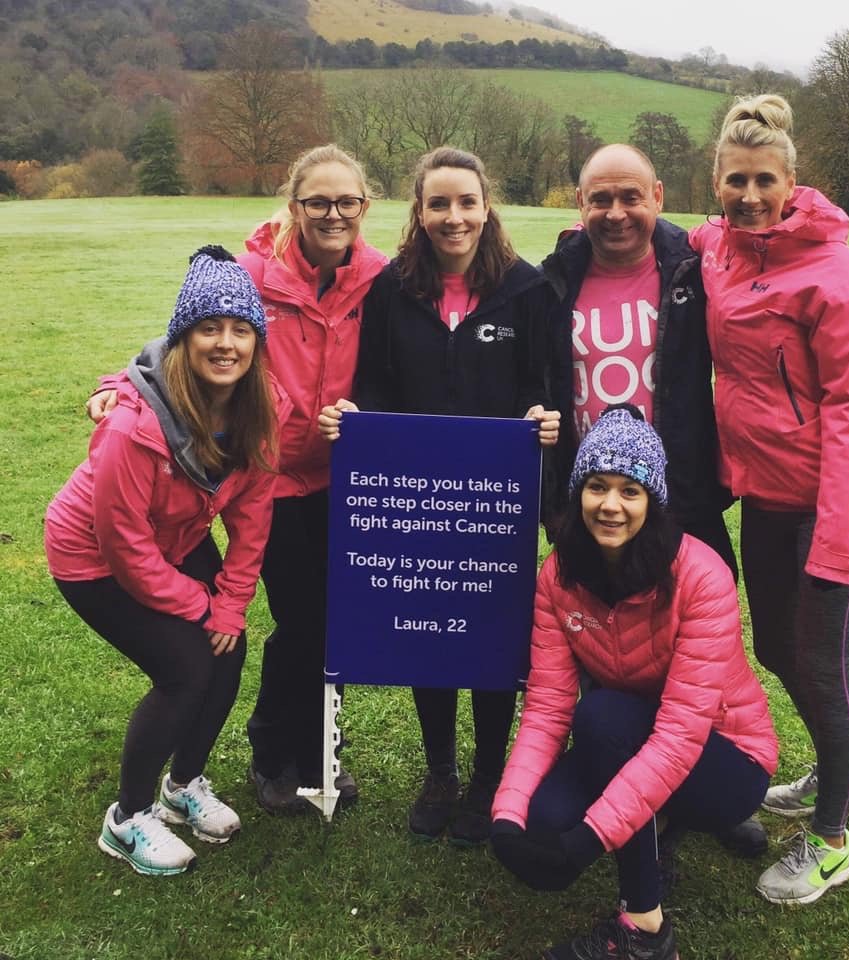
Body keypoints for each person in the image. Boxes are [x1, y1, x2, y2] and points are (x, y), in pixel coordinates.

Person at [89, 145, 389, 815]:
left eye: (347, 202)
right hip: (267, 477)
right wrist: (116, 385)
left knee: (332, 622)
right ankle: (275, 754)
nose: (333, 214)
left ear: (364, 207)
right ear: (294, 206)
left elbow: (400, 364)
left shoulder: (383, 279)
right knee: (302, 618)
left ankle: (315, 753)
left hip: (344, 478)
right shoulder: (250, 273)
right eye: (318, 202)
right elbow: (177, 346)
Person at [319, 146, 560, 846]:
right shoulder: (394, 290)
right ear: (418, 213)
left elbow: (541, 384)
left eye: (466, 203)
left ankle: (490, 776)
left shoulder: (528, 289)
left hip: (495, 506)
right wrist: (355, 416)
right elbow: (377, 386)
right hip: (417, 502)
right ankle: (441, 774)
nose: (453, 218)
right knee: (427, 634)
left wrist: (541, 415)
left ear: (488, 207)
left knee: (488, 638)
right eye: (438, 205)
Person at [689, 94, 849, 905]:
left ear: (793, 180)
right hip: (767, 501)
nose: (748, 195)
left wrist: (837, 543)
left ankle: (835, 838)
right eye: (735, 180)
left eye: (763, 180)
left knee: (820, 662)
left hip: (835, 507)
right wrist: (584, 241)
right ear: (717, 180)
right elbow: (697, 239)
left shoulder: (835, 275)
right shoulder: (727, 249)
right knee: (778, 649)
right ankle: (844, 778)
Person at [541, 143, 765, 857]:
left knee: (702, 650)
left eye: (630, 196)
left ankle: (714, 788)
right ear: (580, 205)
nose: (616, 213)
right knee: (604, 651)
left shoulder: (693, 270)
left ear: (659, 196)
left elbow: (772, 227)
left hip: (683, 502)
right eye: (599, 199)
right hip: (590, 505)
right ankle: (628, 780)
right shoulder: (553, 282)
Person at [489, 406, 778, 960]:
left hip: (726, 758)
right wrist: (507, 815)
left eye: (631, 490)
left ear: (654, 502)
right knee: (544, 823)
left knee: (602, 717)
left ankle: (645, 928)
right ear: (578, 494)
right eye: (597, 486)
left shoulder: (701, 576)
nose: (611, 506)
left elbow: (677, 736)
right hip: (627, 740)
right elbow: (547, 707)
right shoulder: (560, 575)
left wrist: (590, 840)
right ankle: (658, 822)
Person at [46, 246, 284, 876]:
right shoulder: (131, 429)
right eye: (209, 328)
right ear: (184, 338)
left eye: (240, 330)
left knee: (226, 651)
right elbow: (124, 548)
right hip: (91, 557)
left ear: (257, 341)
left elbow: (253, 517)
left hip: (176, 540)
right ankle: (126, 818)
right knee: (184, 669)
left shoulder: (262, 408)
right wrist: (201, 605)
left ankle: (184, 785)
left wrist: (231, 606)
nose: (226, 343)